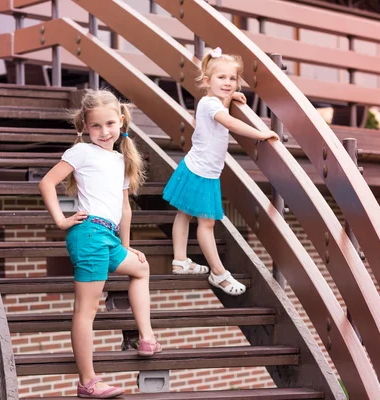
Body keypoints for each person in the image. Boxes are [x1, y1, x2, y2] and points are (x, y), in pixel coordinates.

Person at [39, 89, 160, 399]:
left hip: (108, 236)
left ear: (120, 121)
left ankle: (147, 338)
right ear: (85, 126)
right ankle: (88, 381)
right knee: (86, 309)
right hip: (89, 233)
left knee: (141, 268)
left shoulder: (121, 159)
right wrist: (60, 220)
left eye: (109, 124)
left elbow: (125, 209)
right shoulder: (81, 152)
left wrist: (127, 245)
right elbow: (47, 183)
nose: (104, 132)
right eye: (96, 126)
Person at [163, 47, 279, 296]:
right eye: (221, 78)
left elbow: (222, 106)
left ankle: (180, 260)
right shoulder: (208, 104)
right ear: (207, 81)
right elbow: (228, 122)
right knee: (206, 224)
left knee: (184, 215)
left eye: (232, 79)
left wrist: (231, 96)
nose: (228, 82)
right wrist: (260, 133)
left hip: (196, 167)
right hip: (202, 172)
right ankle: (218, 273)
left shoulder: (214, 101)